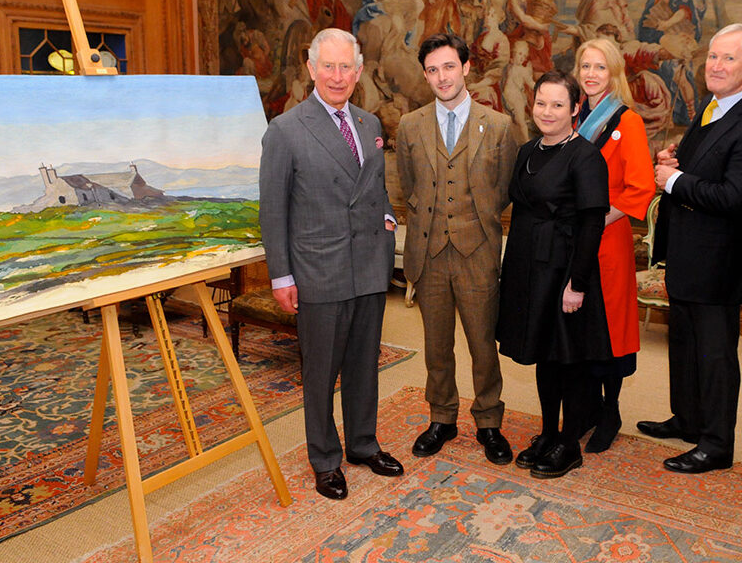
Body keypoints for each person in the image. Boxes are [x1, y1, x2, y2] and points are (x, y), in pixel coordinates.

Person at [259, 28, 403, 500]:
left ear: (358, 72)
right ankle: (325, 459)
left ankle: (363, 443)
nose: (337, 76)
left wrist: (385, 219)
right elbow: (273, 210)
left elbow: (376, 185)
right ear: (311, 68)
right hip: (318, 270)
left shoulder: (370, 124)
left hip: (368, 266)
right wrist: (281, 275)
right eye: (329, 66)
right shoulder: (286, 129)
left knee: (365, 364)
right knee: (320, 373)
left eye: (346, 67)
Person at [639, 23, 742, 474]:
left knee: (715, 356)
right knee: (683, 344)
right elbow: (701, 169)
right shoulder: (711, 107)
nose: (714, 66)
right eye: (712, 57)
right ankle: (688, 420)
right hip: (686, 254)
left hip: (718, 263)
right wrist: (673, 164)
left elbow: (735, 198)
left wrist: (674, 181)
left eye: (727, 58)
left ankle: (716, 445)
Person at [396, 33, 518, 465]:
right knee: (436, 345)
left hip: (478, 252)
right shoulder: (410, 125)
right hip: (428, 253)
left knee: (483, 345)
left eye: (449, 67)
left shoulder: (499, 126)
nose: (441, 77)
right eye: (432, 70)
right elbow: (409, 187)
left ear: (466, 68)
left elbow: (504, 190)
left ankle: (489, 422)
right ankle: (442, 417)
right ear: (425, 75)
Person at [496, 70, 610, 478]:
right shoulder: (528, 150)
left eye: (558, 104)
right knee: (545, 356)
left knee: (570, 361)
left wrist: (576, 284)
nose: (547, 111)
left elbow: (592, 224)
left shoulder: (586, 156)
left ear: (575, 109)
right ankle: (547, 432)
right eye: (541, 102)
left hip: (564, 272)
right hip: (529, 268)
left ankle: (569, 443)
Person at [572, 38, 656, 453]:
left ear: (614, 73)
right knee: (577, 328)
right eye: (585, 66)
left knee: (607, 331)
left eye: (599, 67)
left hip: (608, 242)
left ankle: (611, 412)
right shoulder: (567, 118)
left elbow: (640, 189)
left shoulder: (629, 123)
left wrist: (593, 221)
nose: (590, 74)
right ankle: (582, 409)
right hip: (569, 242)